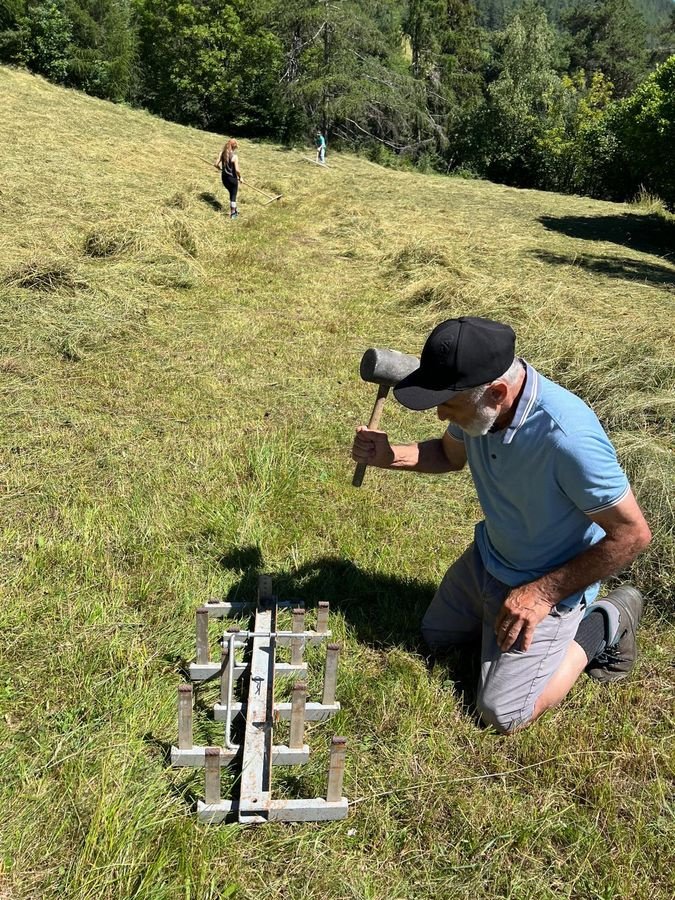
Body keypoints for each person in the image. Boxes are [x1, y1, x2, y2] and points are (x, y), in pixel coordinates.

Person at [351, 316, 652, 734]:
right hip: (491, 556)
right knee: (436, 638)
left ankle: (605, 620)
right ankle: (496, 615)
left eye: (448, 406)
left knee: (501, 713)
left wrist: (542, 593)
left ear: (497, 393)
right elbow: (448, 455)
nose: (441, 416)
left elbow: (633, 534)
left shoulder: (569, 439)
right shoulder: (480, 405)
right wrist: (391, 456)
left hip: (548, 579)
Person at [215, 139, 242, 219]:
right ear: (234, 147)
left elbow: (216, 164)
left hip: (224, 179)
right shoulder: (234, 157)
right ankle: (233, 214)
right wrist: (240, 177)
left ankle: (234, 209)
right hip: (232, 179)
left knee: (231, 194)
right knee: (233, 196)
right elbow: (237, 170)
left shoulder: (221, 154)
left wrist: (220, 168)